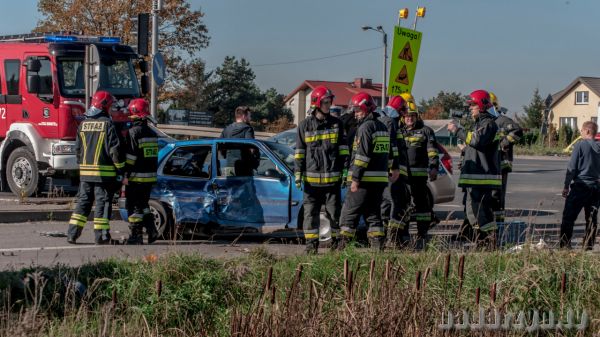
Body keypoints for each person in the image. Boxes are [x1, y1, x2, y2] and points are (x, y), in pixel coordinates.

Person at [339, 92, 399, 251]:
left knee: (349, 214)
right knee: (373, 215)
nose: (355, 113)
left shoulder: (365, 127)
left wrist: (355, 179)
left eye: (358, 110)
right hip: (379, 181)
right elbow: (390, 153)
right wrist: (393, 168)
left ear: (367, 109)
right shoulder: (382, 127)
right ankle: (377, 248)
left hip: (363, 181)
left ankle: (342, 249)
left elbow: (361, 156)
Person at [295, 86, 348, 254]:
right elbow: (299, 152)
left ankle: (336, 247)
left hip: (332, 182)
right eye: (326, 101)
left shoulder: (337, 124)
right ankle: (311, 248)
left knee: (334, 215)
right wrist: (298, 173)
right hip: (311, 183)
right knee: (310, 215)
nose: (329, 104)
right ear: (317, 103)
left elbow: (344, 151)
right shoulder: (304, 126)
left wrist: (346, 171)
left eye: (330, 101)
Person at [67, 91, 125, 244]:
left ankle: (72, 234)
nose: (112, 109)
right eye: (111, 106)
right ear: (105, 106)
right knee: (102, 204)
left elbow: (78, 150)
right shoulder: (107, 124)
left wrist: (84, 166)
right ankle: (102, 236)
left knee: (83, 202)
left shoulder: (83, 124)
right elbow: (115, 151)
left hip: (85, 174)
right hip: (103, 175)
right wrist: (120, 169)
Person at [447, 90, 501, 248]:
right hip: (474, 177)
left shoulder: (489, 124)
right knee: (473, 213)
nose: (470, 108)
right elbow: (475, 147)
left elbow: (476, 140)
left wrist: (457, 130)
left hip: (481, 178)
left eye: (473, 105)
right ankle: (481, 240)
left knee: (481, 213)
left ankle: (489, 243)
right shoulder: (480, 124)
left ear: (483, 106)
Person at [402, 99, 439, 249]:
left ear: (417, 116)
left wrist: (434, 167)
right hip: (403, 177)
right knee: (403, 205)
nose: (409, 119)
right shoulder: (400, 131)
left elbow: (432, 151)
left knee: (421, 205)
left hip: (419, 176)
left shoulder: (426, 131)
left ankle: (422, 233)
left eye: (412, 116)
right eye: (406, 116)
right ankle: (402, 233)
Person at [123, 98, 160, 245]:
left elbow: (131, 157)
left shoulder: (133, 133)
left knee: (134, 207)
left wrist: (125, 173)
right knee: (144, 205)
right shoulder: (152, 133)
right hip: (149, 178)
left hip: (136, 178)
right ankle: (152, 231)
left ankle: (136, 236)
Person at [560, 121, 600, 250]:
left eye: (582, 131)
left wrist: (566, 185)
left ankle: (565, 246)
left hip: (581, 186)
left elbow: (572, 167)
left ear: (587, 131)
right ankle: (588, 246)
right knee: (592, 219)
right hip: (595, 187)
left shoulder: (580, 145)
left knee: (568, 218)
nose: (581, 133)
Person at [380, 96, 412, 247]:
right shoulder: (390, 123)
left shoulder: (389, 121)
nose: (405, 114)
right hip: (393, 174)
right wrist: (394, 168)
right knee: (396, 203)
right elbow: (391, 148)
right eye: (404, 110)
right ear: (399, 110)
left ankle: (392, 237)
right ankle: (393, 238)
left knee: (390, 204)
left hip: (393, 173)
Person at [488, 92, 523, 225]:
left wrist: (503, 143)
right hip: (490, 163)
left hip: (501, 163)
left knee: (497, 195)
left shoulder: (502, 121)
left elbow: (517, 131)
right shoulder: (487, 122)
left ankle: (499, 225)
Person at [220, 106, 257, 176]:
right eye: (249, 116)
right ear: (243, 116)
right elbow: (252, 148)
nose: (250, 118)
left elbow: (220, 146)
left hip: (229, 165)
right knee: (244, 186)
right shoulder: (247, 129)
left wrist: (226, 156)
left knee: (229, 185)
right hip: (243, 168)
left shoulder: (227, 129)